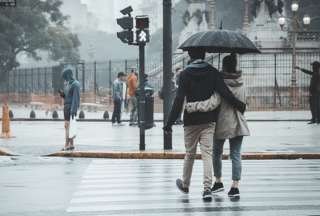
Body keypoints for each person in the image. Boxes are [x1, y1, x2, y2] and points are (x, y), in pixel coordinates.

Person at [163, 49, 246, 201]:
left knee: (190, 154)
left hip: (191, 121)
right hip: (209, 120)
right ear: (204, 55)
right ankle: (207, 188)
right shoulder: (213, 72)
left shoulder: (185, 74)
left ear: (190, 56)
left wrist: (169, 123)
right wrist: (239, 104)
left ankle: (185, 185)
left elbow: (179, 99)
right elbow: (225, 92)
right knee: (207, 153)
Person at [188, 54, 250, 198]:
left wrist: (194, 106)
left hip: (221, 122)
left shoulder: (220, 82)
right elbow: (245, 102)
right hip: (239, 123)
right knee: (236, 155)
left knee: (216, 153)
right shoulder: (242, 81)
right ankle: (235, 187)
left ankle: (218, 181)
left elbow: (213, 102)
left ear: (224, 66)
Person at [59, 65, 80, 151]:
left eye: (65, 77)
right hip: (66, 106)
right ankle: (71, 144)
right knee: (69, 127)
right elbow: (67, 97)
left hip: (71, 107)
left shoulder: (75, 84)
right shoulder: (68, 84)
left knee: (67, 126)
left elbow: (76, 98)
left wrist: (73, 110)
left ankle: (66, 145)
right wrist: (62, 94)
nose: (65, 79)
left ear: (68, 75)